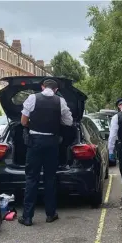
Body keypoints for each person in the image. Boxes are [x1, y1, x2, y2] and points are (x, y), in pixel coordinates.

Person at [18, 78, 73, 226]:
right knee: (50, 179)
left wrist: (33, 124)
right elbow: (68, 122)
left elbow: (23, 122)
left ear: (42, 87)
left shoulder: (32, 98)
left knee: (31, 179)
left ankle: (27, 217)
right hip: (52, 144)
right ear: (56, 90)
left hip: (34, 143)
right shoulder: (60, 101)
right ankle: (50, 214)